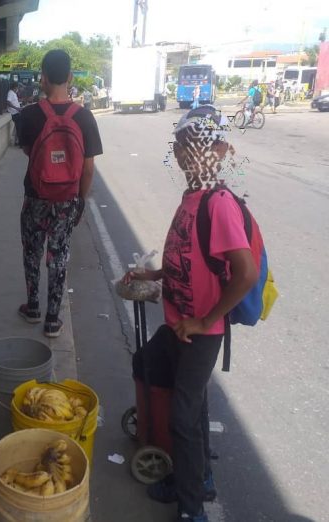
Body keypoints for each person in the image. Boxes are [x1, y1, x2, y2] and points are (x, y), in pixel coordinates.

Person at [122, 105, 258, 522]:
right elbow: (187, 253)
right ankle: (198, 479)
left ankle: (193, 508)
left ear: (215, 149)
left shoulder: (219, 203)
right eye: (180, 147)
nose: (185, 155)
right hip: (181, 323)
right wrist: (156, 273)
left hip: (202, 329)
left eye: (193, 146)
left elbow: (246, 273)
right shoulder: (191, 198)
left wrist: (203, 320)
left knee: (183, 417)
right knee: (188, 405)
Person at [17, 50, 103, 338]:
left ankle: (32, 307)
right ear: (69, 77)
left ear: (43, 77)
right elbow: (88, 169)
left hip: (36, 198)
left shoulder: (28, 116)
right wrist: (80, 201)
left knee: (32, 252)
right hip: (66, 200)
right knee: (59, 255)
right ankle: (53, 319)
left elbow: (31, 155)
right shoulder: (85, 117)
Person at [7, 81, 22, 146]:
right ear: (15, 87)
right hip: (14, 113)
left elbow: (14, 101)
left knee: (18, 127)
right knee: (19, 127)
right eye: (17, 87)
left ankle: (16, 141)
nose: (18, 89)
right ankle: (20, 142)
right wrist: (16, 108)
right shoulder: (10, 93)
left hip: (17, 112)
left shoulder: (14, 93)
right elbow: (8, 102)